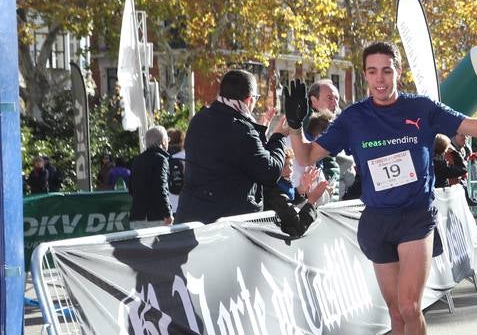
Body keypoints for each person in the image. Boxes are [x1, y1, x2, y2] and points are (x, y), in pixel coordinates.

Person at [287, 41, 477, 335]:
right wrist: (295, 127)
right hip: (377, 220)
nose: (381, 79)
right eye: (373, 71)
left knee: (411, 306)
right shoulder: (354, 118)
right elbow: (308, 156)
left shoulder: (420, 108)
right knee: (395, 310)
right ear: (365, 76)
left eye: (387, 70)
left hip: (415, 216)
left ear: (397, 72)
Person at [176, 70, 289, 225]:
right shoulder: (241, 128)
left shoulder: (200, 119)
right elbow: (269, 172)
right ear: (249, 100)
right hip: (225, 226)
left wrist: (259, 131)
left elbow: (238, 157)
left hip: (192, 218)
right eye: (256, 98)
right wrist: (279, 137)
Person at [262, 164, 330, 239]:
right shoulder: (274, 194)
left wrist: (301, 190)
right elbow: (298, 227)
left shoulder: (279, 190)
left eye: (291, 165)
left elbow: (287, 206)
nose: (290, 170)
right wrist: (312, 201)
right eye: (284, 166)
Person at [127, 125, 174, 228]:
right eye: (167, 139)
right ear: (163, 141)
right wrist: (167, 213)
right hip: (156, 217)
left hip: (137, 216)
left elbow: (131, 189)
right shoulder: (161, 160)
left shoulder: (137, 160)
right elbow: (161, 188)